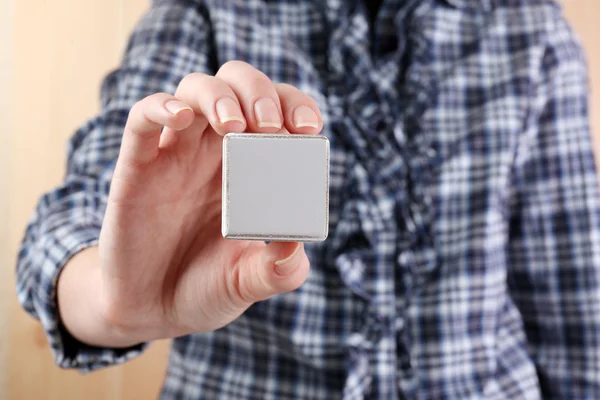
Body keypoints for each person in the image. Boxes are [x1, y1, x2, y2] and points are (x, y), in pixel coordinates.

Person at [16, 0, 600, 398]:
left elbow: (573, 300)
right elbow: (73, 216)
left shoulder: (531, 28)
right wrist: (115, 300)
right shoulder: (208, 10)